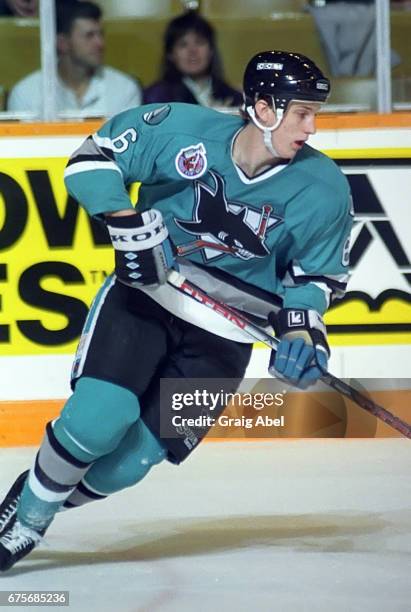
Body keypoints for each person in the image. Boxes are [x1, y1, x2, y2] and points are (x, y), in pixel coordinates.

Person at [0, 50, 353, 571]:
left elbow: (316, 278)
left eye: (314, 114)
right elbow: (92, 159)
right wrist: (125, 223)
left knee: (130, 464)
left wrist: (303, 334)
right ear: (261, 106)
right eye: (301, 112)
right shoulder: (181, 128)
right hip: (147, 297)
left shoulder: (325, 189)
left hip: (226, 336)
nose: (312, 127)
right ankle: (26, 520)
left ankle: (40, 494)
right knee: (99, 419)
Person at [7, 0, 142, 117]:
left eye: (101, 34)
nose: (100, 43)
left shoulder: (125, 89)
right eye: (89, 35)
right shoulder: (25, 93)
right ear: (62, 43)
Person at [143, 10, 242, 109]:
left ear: (211, 50)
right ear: (170, 54)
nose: (192, 50)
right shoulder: (156, 97)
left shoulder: (234, 97)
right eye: (183, 44)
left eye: (199, 42)